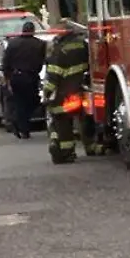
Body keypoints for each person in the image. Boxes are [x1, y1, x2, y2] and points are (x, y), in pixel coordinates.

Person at [44, 19, 100, 164]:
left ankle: (66, 152)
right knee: (86, 119)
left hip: (64, 93)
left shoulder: (59, 49)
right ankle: (91, 146)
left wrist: (46, 93)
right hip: (82, 89)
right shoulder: (82, 44)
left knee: (61, 120)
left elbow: (53, 74)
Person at [1, 21, 47, 139]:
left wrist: (7, 78)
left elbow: (6, 62)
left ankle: (19, 124)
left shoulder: (12, 43)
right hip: (31, 77)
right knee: (33, 101)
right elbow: (43, 60)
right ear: (33, 31)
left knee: (20, 102)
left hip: (16, 77)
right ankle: (22, 127)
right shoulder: (39, 44)